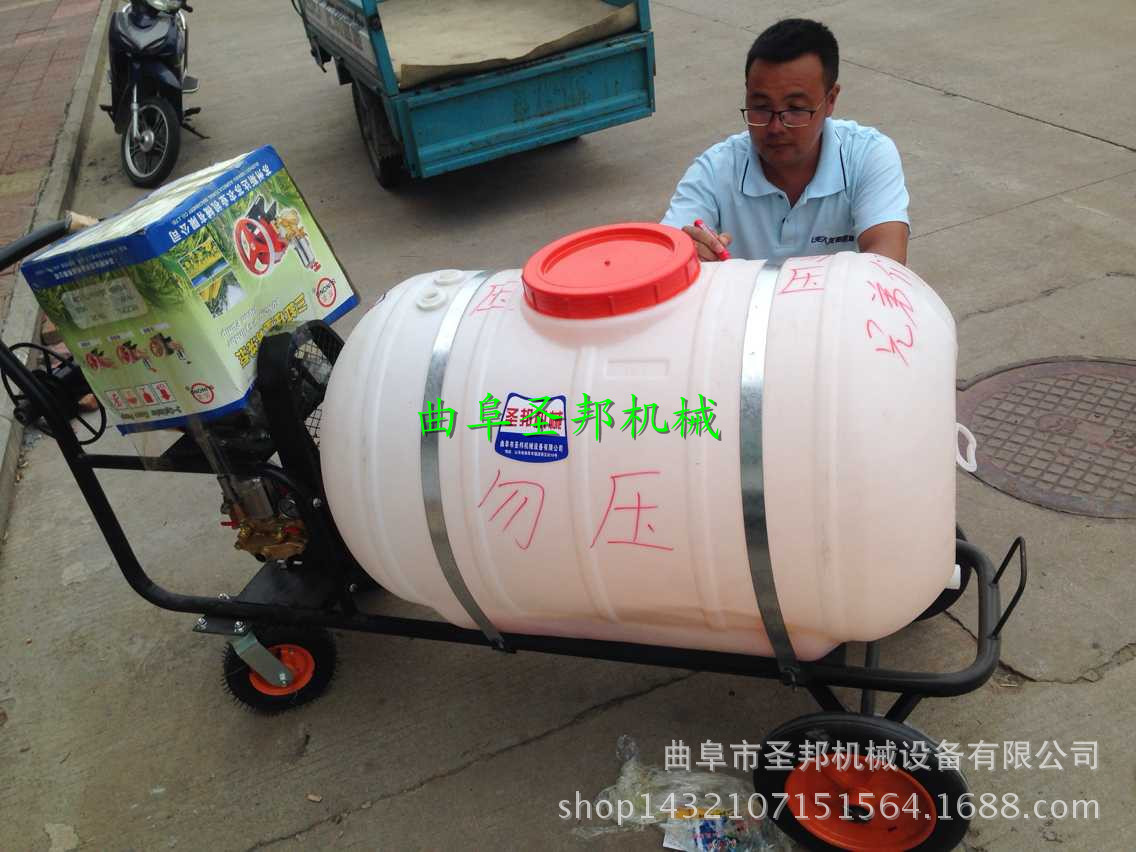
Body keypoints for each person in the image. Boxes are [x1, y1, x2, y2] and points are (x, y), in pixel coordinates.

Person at [661, 18, 910, 265]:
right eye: (761, 107)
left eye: (796, 108)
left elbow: (887, 264)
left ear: (831, 100)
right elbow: (664, 257)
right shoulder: (715, 170)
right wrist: (688, 255)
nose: (776, 127)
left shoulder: (866, 155)